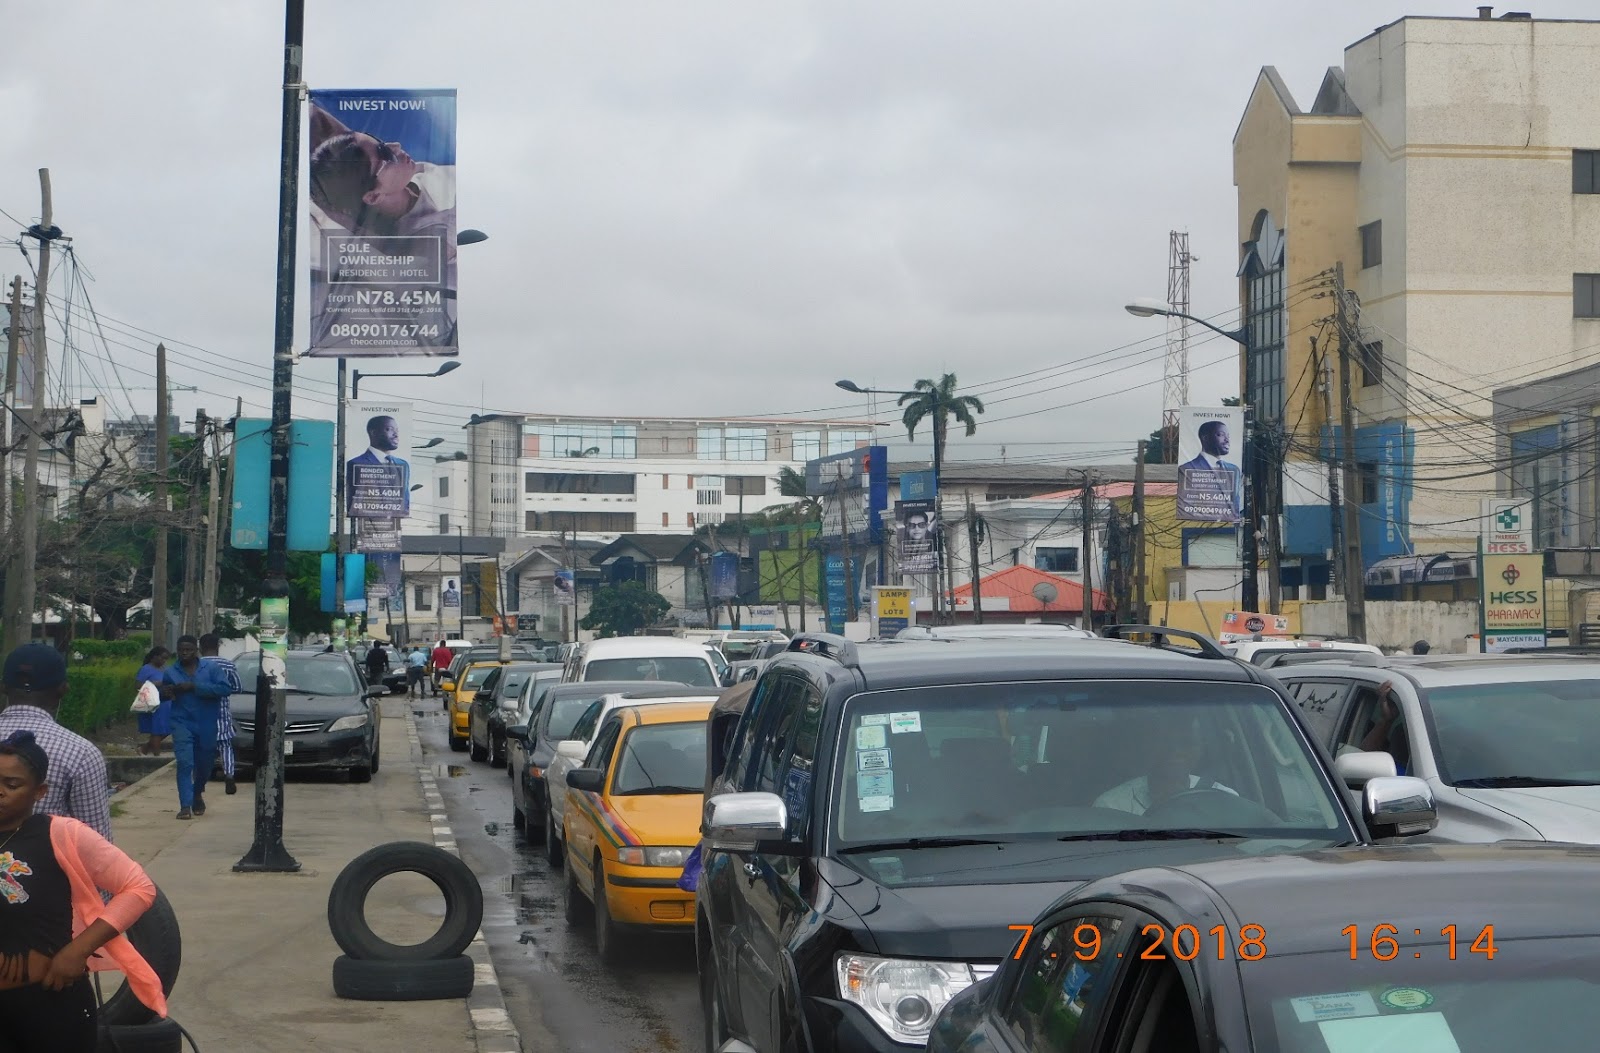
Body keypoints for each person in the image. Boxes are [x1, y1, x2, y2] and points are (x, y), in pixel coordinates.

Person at [0, 730, 166, 1051]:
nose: (0, 792)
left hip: (52, 1009)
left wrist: (78, 951)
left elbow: (138, 887)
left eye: (12, 784)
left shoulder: (62, 835)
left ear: (40, 791)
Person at [0, 646, 112, 841]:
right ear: (63, 689)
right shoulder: (81, 752)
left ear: (3, 686)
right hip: (44, 867)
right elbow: (96, 842)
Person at [1094, 720, 1238, 816]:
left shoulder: (1225, 801)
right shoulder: (1111, 807)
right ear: (1148, 747)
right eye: (1165, 742)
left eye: (1186, 743)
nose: (1175, 751)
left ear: (1201, 749)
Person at [160, 635, 232, 820]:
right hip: (181, 721)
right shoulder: (171, 671)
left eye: (189, 650)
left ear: (196, 650)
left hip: (206, 723)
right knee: (185, 763)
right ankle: (185, 806)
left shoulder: (211, 669)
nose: (185, 653)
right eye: (181, 650)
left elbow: (225, 689)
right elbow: (164, 695)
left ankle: (197, 792)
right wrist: (165, 694)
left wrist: (194, 686)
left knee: (205, 764)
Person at [198, 634, 243, 796]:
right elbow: (237, 687)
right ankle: (229, 774)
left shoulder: (197, 665)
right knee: (225, 747)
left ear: (200, 648)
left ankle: (200, 779)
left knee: (201, 748)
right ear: (218, 646)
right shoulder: (228, 665)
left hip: (200, 713)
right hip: (221, 711)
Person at [1179, 419, 1244, 517]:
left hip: (1227, 522)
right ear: (1205, 438)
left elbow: (1236, 503)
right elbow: (1185, 504)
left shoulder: (1234, 469)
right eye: (1221, 435)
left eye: (1228, 436)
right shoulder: (1186, 469)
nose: (1227, 440)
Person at [134, 647, 171, 756]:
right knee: (157, 730)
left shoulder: (164, 668)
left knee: (167, 729)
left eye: (166, 659)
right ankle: (156, 754)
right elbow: (137, 686)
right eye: (163, 658)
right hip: (154, 702)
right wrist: (155, 683)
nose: (164, 661)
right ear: (155, 657)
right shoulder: (146, 669)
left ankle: (145, 748)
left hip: (165, 701)